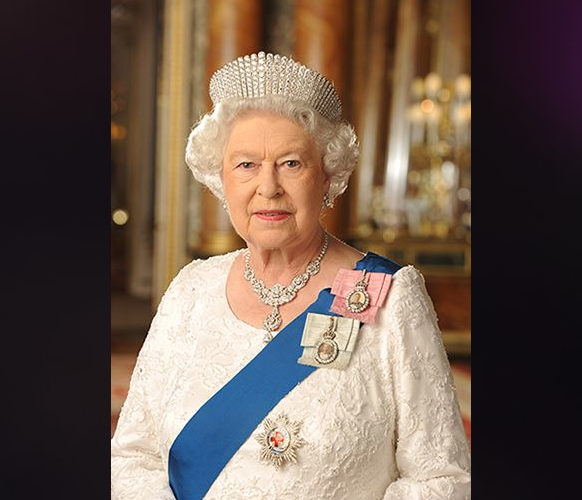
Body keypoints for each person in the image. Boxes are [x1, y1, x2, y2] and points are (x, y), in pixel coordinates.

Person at [109, 52, 471, 499]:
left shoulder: (386, 295)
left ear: (327, 176)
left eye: (291, 163)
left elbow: (442, 480)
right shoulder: (190, 291)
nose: (268, 187)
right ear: (221, 180)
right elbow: (132, 457)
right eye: (246, 165)